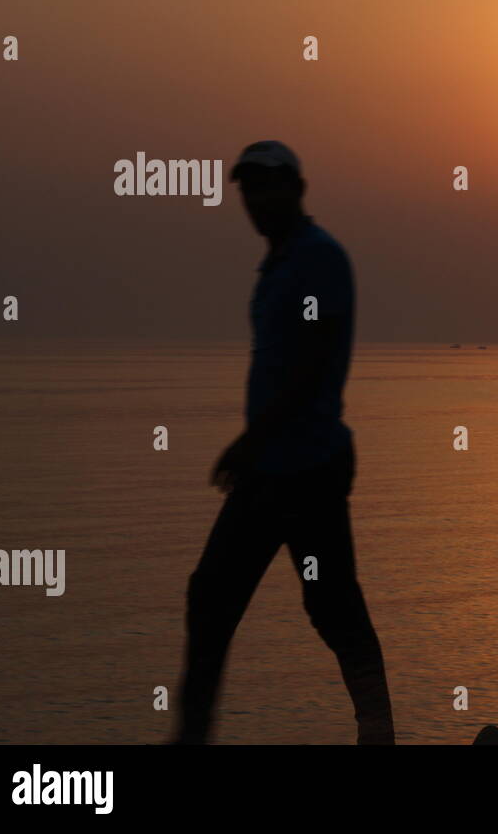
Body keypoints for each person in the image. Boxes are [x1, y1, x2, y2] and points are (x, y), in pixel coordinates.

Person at [173, 140, 394, 744]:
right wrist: (255, 448)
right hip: (270, 471)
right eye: (249, 188)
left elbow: (312, 362)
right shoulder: (276, 268)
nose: (258, 199)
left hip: (307, 469)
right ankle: (193, 736)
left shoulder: (317, 260)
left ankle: (377, 730)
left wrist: (251, 440)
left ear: (297, 190)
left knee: (331, 606)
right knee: (214, 594)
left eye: (271, 185)